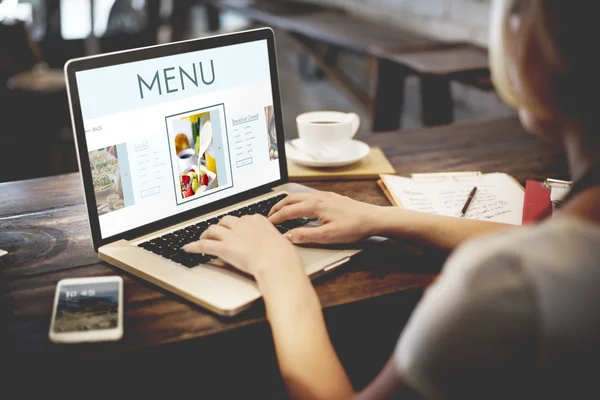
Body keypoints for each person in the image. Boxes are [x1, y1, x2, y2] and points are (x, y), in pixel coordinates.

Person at [184, 0, 600, 398]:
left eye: (519, 13)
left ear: (556, 51)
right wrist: (384, 218)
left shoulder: (503, 282)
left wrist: (276, 268)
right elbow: (541, 241)